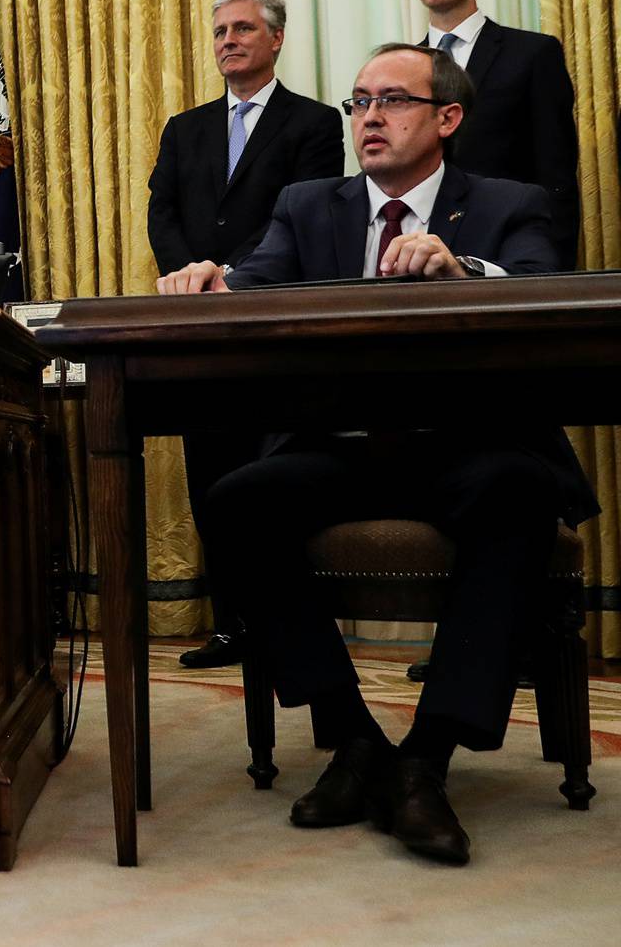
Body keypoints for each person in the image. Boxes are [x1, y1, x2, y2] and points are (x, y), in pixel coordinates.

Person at [158, 44, 594, 865]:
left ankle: (427, 756)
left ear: (447, 119)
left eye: (392, 100)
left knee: (518, 493)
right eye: (359, 101)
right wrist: (216, 280)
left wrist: (464, 270)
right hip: (343, 451)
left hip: (469, 449)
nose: (369, 117)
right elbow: (256, 284)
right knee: (238, 500)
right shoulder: (308, 203)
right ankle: (355, 739)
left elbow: (545, 290)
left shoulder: (508, 203)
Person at [147, 0, 344, 670]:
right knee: (209, 472)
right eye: (221, 30)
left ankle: (289, 623)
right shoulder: (185, 127)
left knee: (268, 472)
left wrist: (233, 272)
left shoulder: (315, 124)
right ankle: (233, 624)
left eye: (242, 29)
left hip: (271, 320)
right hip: (199, 326)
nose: (228, 40)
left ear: (275, 39)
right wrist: (193, 274)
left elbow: (306, 214)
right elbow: (163, 214)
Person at [409, 0, 578, 265]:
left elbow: (556, 169)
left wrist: (554, 263)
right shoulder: (405, 68)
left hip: (506, 243)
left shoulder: (532, 53)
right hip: (418, 248)